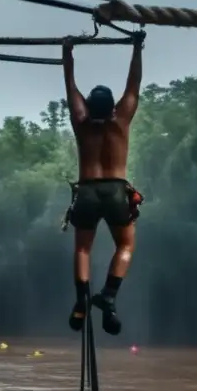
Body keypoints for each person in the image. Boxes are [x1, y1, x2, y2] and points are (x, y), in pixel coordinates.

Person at [62, 31, 144, 336]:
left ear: (88, 108)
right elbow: (133, 84)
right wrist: (137, 48)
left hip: (86, 190)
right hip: (114, 191)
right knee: (125, 244)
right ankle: (108, 296)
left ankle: (81, 302)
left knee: (83, 248)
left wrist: (67, 53)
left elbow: (70, 86)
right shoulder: (120, 121)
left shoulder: (81, 122)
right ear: (112, 107)